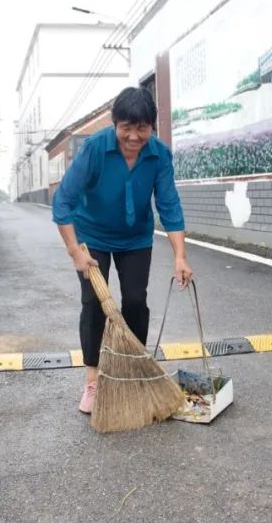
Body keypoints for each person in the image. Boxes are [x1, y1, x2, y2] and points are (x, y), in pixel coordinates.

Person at [52, 86, 193, 414]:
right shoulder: (95, 149)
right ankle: (93, 380)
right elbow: (64, 201)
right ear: (115, 124)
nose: (133, 136)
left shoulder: (158, 155)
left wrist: (180, 256)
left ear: (151, 127)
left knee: (134, 301)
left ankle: (133, 373)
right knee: (94, 304)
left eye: (141, 128)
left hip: (135, 238)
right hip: (93, 236)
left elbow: (169, 206)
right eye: (126, 127)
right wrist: (75, 252)